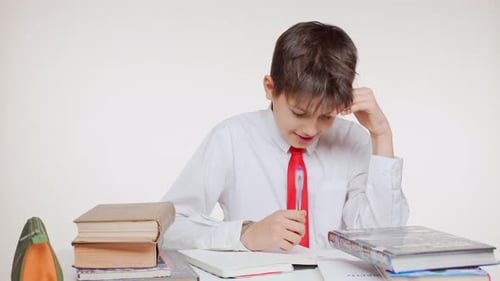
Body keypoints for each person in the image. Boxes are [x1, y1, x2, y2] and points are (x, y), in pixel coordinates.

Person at [161, 21, 409, 251]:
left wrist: (381, 135)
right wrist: (244, 233)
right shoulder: (230, 138)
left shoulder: (351, 140)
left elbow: (383, 239)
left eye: (326, 116)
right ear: (270, 88)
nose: (311, 130)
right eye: (299, 112)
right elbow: (169, 228)